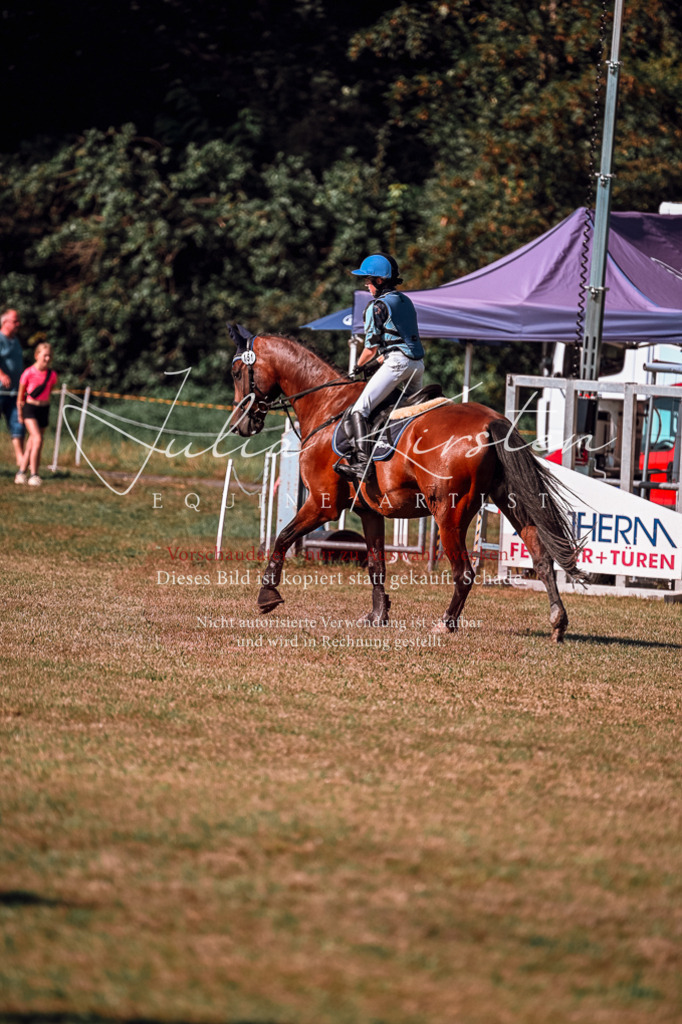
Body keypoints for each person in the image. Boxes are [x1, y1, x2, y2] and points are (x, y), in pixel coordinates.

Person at [336, 253, 425, 482]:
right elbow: (398, 342)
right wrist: (373, 365)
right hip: (417, 365)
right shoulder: (405, 300)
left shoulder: (377, 306)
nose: (366, 284)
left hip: (397, 364)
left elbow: (371, 349)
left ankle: (363, 466)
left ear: (379, 280)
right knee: (414, 413)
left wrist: (355, 368)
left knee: (359, 410)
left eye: (367, 280)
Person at [15, 340, 58, 486]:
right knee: (37, 439)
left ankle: (21, 472)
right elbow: (20, 396)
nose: (47, 358)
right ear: (36, 355)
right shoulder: (28, 372)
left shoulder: (52, 375)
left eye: (49, 356)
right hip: (29, 409)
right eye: (45, 355)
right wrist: (20, 414)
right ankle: (34, 474)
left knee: (32, 443)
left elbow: (49, 392)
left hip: (44, 409)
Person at [0, 308, 26, 470]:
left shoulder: (15, 340)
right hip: (0, 391)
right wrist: (1, 374)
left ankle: (20, 460)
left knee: (18, 424)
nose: (18, 324)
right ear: (5, 322)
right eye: (15, 321)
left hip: (15, 392)